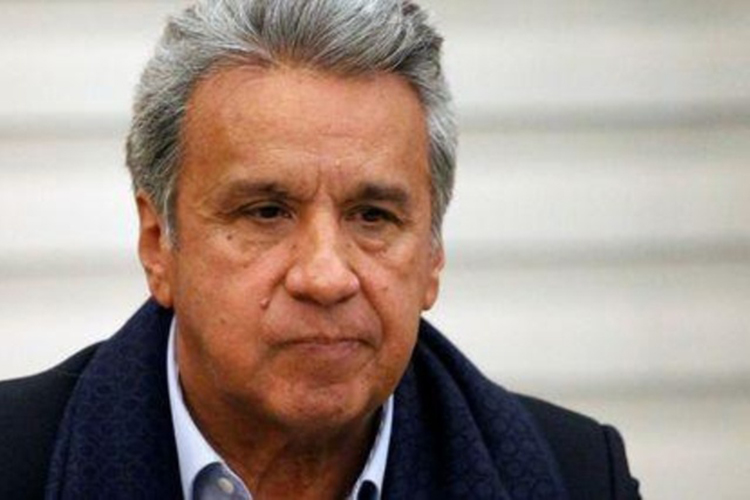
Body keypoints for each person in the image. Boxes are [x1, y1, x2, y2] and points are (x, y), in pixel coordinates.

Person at [0, 1, 640, 499]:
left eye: (373, 216)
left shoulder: (576, 478)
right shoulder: (16, 460)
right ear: (158, 244)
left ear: (432, 256)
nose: (326, 276)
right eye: (266, 212)